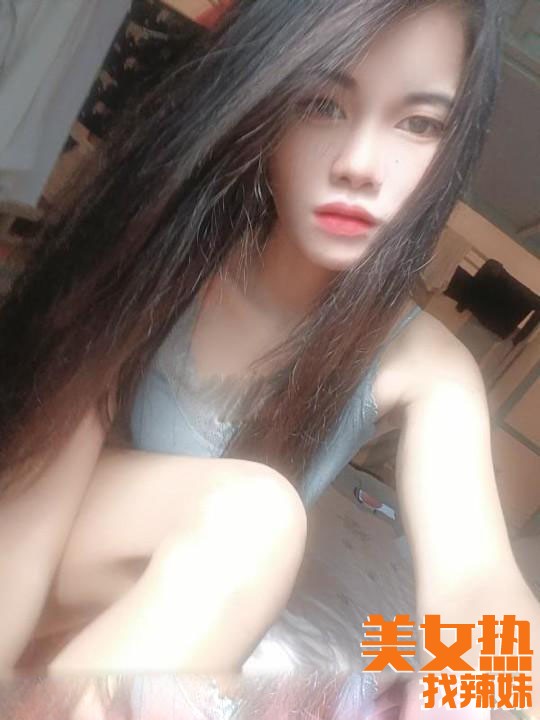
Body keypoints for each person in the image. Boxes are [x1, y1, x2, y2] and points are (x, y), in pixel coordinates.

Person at [1, 0, 539, 716]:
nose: (359, 166)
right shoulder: (166, 256)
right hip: (43, 565)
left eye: (418, 124)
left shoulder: (424, 364)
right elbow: (32, 508)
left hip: (158, 630)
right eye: (323, 104)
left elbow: (477, 580)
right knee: (255, 519)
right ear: (269, 99)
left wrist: (479, 689)